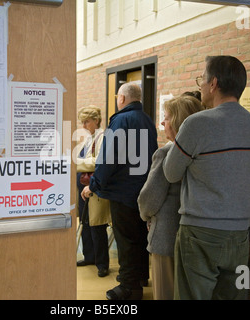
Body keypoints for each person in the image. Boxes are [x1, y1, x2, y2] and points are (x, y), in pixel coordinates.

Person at [163, 55, 250, 300]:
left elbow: (171, 173)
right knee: (235, 295)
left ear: (213, 84)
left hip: (200, 232)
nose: (200, 85)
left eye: (202, 79)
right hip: (241, 234)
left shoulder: (196, 124)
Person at [81, 82, 158, 300]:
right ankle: (141, 276)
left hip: (123, 191)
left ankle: (128, 287)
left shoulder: (120, 120)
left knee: (125, 240)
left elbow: (108, 159)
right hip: (143, 190)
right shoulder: (148, 121)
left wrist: (93, 185)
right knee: (139, 236)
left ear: (122, 99)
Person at [138, 95, 204, 300]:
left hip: (166, 237)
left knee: (165, 292)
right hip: (197, 238)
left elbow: (149, 198)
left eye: (166, 118)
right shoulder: (204, 152)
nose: (162, 123)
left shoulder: (166, 153)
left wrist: (146, 216)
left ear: (177, 122)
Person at [76, 105, 111, 278]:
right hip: (84, 187)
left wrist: (77, 164)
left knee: (97, 225)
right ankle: (89, 256)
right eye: (82, 122)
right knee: (86, 223)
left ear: (96, 120)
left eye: (86, 122)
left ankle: (102, 263)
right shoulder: (89, 137)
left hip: (95, 188)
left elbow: (99, 161)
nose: (83, 126)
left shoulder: (104, 137)